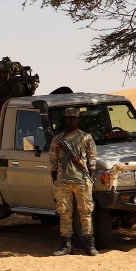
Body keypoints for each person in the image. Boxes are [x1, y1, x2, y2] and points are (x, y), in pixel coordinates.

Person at [49, 107, 98, 256]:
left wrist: (90, 180)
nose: (71, 120)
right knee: (64, 213)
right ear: (65, 119)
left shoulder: (86, 138)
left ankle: (90, 245)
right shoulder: (57, 139)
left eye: (74, 118)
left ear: (78, 120)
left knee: (85, 212)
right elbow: (52, 162)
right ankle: (66, 245)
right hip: (63, 181)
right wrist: (56, 181)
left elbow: (92, 161)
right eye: (69, 118)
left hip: (82, 180)